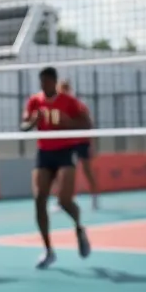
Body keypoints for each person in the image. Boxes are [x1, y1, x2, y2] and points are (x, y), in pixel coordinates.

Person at [20, 66, 91, 270]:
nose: (44, 85)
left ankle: (79, 228)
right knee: (39, 199)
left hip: (65, 152)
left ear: (54, 82)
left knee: (64, 200)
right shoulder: (35, 101)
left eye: (47, 82)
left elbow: (86, 123)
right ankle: (48, 250)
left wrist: (68, 123)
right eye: (41, 82)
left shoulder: (69, 102)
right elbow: (23, 126)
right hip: (44, 154)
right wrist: (34, 120)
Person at [54, 80, 99, 210]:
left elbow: (89, 125)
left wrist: (91, 144)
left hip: (82, 142)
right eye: (60, 90)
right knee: (62, 172)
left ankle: (94, 197)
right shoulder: (57, 107)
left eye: (65, 90)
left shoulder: (79, 105)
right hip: (67, 143)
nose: (62, 93)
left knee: (87, 170)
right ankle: (63, 201)